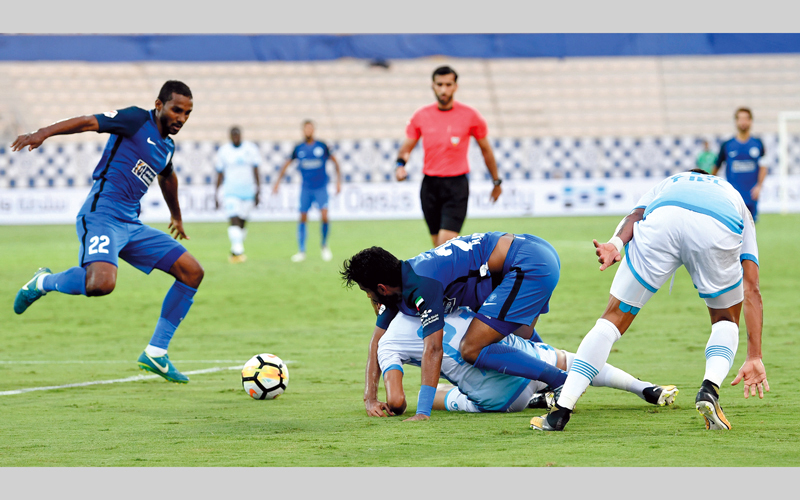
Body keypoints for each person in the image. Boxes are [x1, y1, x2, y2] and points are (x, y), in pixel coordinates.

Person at [531, 169, 768, 432]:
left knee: (611, 321)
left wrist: (614, 244)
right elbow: (752, 286)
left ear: (690, 174)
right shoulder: (734, 197)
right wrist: (754, 355)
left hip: (663, 220)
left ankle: (560, 412)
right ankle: (709, 389)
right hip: (717, 224)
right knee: (725, 319)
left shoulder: (671, 182)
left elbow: (635, 216)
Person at [11, 80, 203, 384]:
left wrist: (176, 217)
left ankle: (156, 353)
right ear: (159, 105)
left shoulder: (167, 146)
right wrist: (43, 133)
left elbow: (168, 177)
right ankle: (43, 282)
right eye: (176, 110)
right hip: (101, 214)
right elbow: (89, 122)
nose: (181, 118)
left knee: (192, 272)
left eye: (187, 113)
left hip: (130, 224)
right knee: (101, 284)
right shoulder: (136, 119)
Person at [341, 231, 570, 422]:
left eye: (367, 292)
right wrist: (370, 398)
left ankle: (560, 382)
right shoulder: (402, 283)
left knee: (471, 348)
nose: (369, 297)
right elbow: (376, 341)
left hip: (528, 265)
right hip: (535, 252)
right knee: (521, 333)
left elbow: (433, 349)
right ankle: (556, 381)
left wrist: (423, 412)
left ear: (381, 288)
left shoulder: (422, 285)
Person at [376, 307, 679, 415]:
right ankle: (642, 387)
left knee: (438, 394)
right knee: (570, 360)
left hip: (501, 398)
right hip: (523, 354)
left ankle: (535, 400)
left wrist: (394, 406)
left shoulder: (387, 341)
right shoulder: (440, 294)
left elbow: (398, 400)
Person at [395, 66, 503, 248]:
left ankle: (448, 276)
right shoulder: (421, 116)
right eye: (439, 84)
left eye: (448, 84)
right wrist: (400, 165)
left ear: (455, 87)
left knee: (445, 246)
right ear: (433, 86)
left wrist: (496, 181)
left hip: (456, 186)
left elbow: (486, 150)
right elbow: (406, 148)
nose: (443, 89)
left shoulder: (470, 116)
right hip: (430, 186)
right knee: (437, 248)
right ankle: (448, 277)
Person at [272, 120, 341, 262]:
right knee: (303, 217)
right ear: (303, 131)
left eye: (310, 128)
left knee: (324, 216)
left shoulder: (322, 146)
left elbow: (335, 162)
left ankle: (324, 246)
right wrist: (278, 182)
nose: (308, 131)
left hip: (321, 187)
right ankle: (301, 251)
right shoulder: (299, 148)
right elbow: (287, 164)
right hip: (306, 188)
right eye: (306, 129)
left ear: (313, 130)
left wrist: (338, 181)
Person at [214, 126, 262, 263]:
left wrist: (258, 190)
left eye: (237, 134)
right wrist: (216, 193)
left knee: (242, 222)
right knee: (233, 218)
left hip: (248, 192)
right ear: (230, 136)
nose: (236, 136)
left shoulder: (251, 149)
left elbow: (256, 170)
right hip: (231, 192)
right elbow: (219, 173)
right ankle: (238, 250)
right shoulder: (224, 151)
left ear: (241, 135)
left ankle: (236, 252)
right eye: (233, 134)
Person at [712, 107, 768, 221]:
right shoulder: (727, 145)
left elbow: (763, 166)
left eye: (746, 119)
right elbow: (716, 167)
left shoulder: (758, 143)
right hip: (733, 196)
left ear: (750, 121)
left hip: (751, 195)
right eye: (740, 119)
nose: (743, 122)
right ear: (736, 121)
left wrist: (759, 186)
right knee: (734, 229)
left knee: (751, 231)